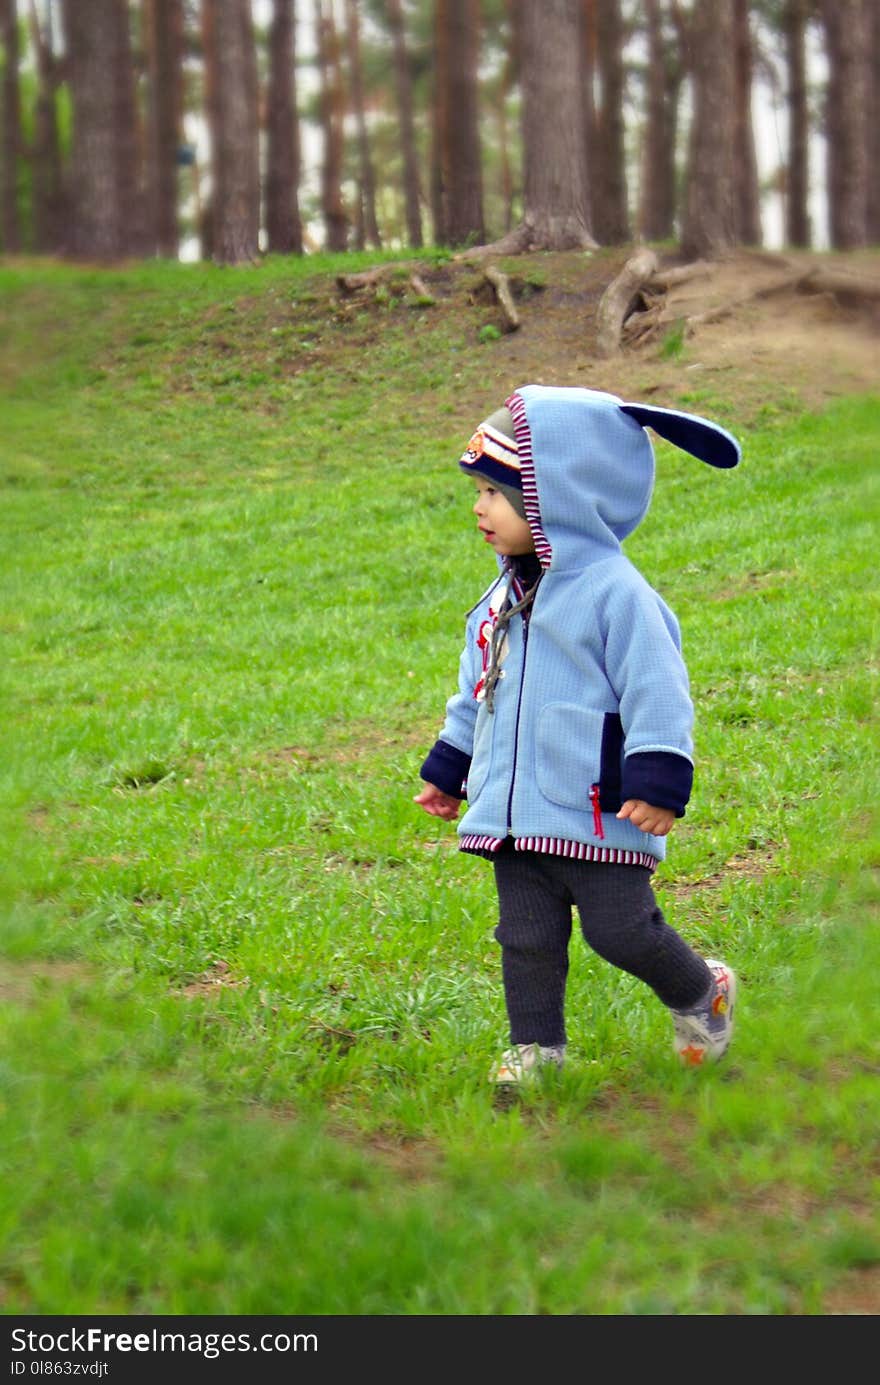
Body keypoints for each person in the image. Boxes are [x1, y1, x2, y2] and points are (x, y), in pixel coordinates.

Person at [414, 384, 741, 1088]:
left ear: (560, 495)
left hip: (598, 806)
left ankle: (700, 991)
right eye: (476, 490)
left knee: (619, 931)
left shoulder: (617, 595)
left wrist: (658, 779)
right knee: (526, 939)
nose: (479, 507)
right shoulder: (501, 599)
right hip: (513, 812)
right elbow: (478, 688)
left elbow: (657, 688)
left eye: (496, 492)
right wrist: (450, 763)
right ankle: (536, 1051)